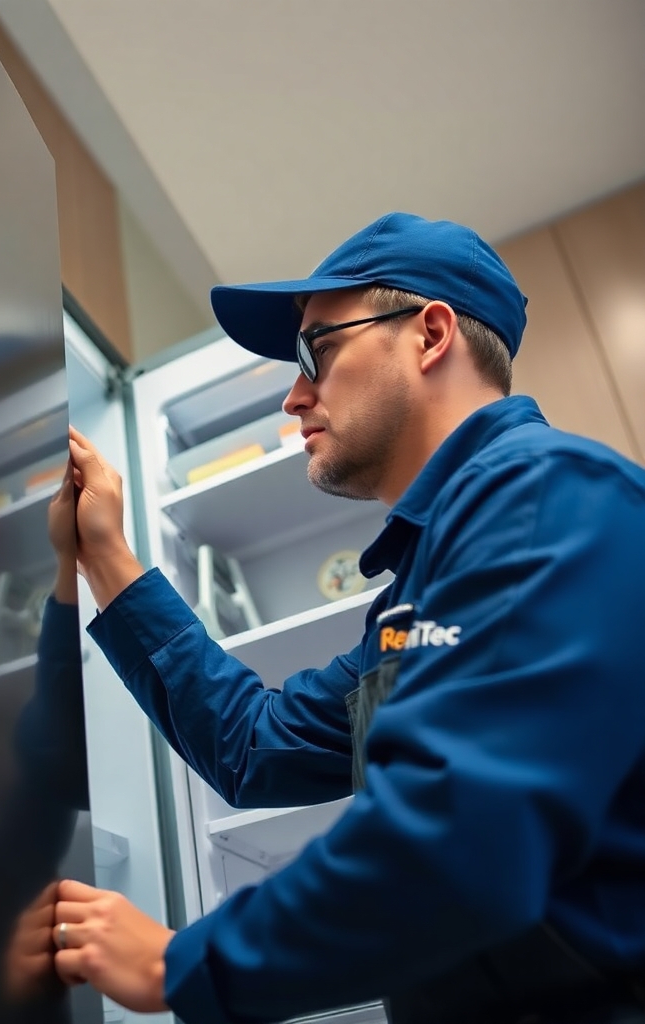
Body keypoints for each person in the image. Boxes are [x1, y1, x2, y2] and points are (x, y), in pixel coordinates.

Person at [45, 212, 645, 1024]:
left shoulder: (544, 496)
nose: (294, 395)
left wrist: (180, 963)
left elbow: (457, 841)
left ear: (430, 334)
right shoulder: (424, 585)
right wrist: (106, 557)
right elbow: (254, 746)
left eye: (316, 351)